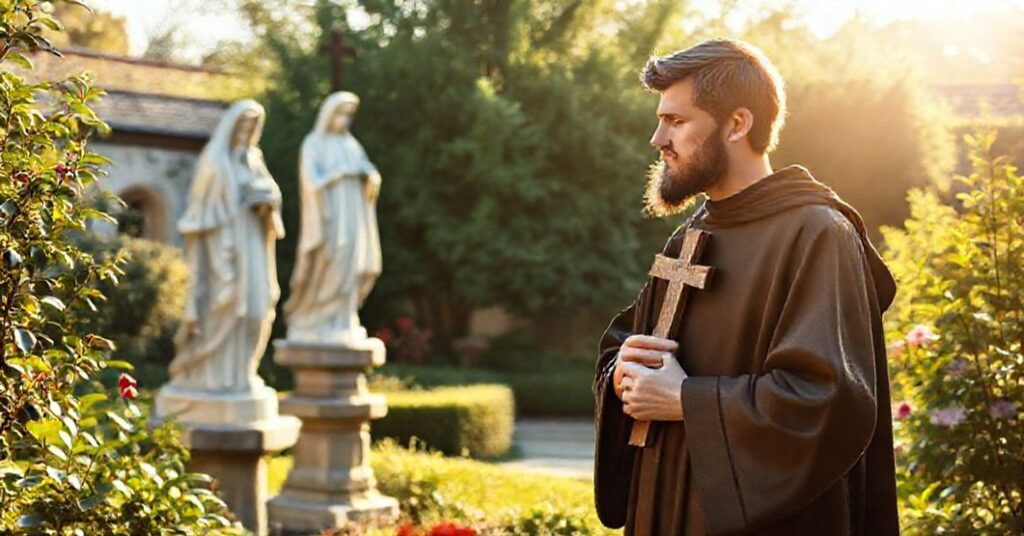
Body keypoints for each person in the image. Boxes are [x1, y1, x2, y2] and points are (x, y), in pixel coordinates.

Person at [592, 39, 900, 535]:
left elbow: (827, 401)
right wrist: (621, 368)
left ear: (737, 124)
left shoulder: (817, 234)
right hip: (664, 509)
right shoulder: (690, 237)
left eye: (676, 121)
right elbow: (630, 341)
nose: (657, 139)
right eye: (660, 119)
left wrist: (686, 399)